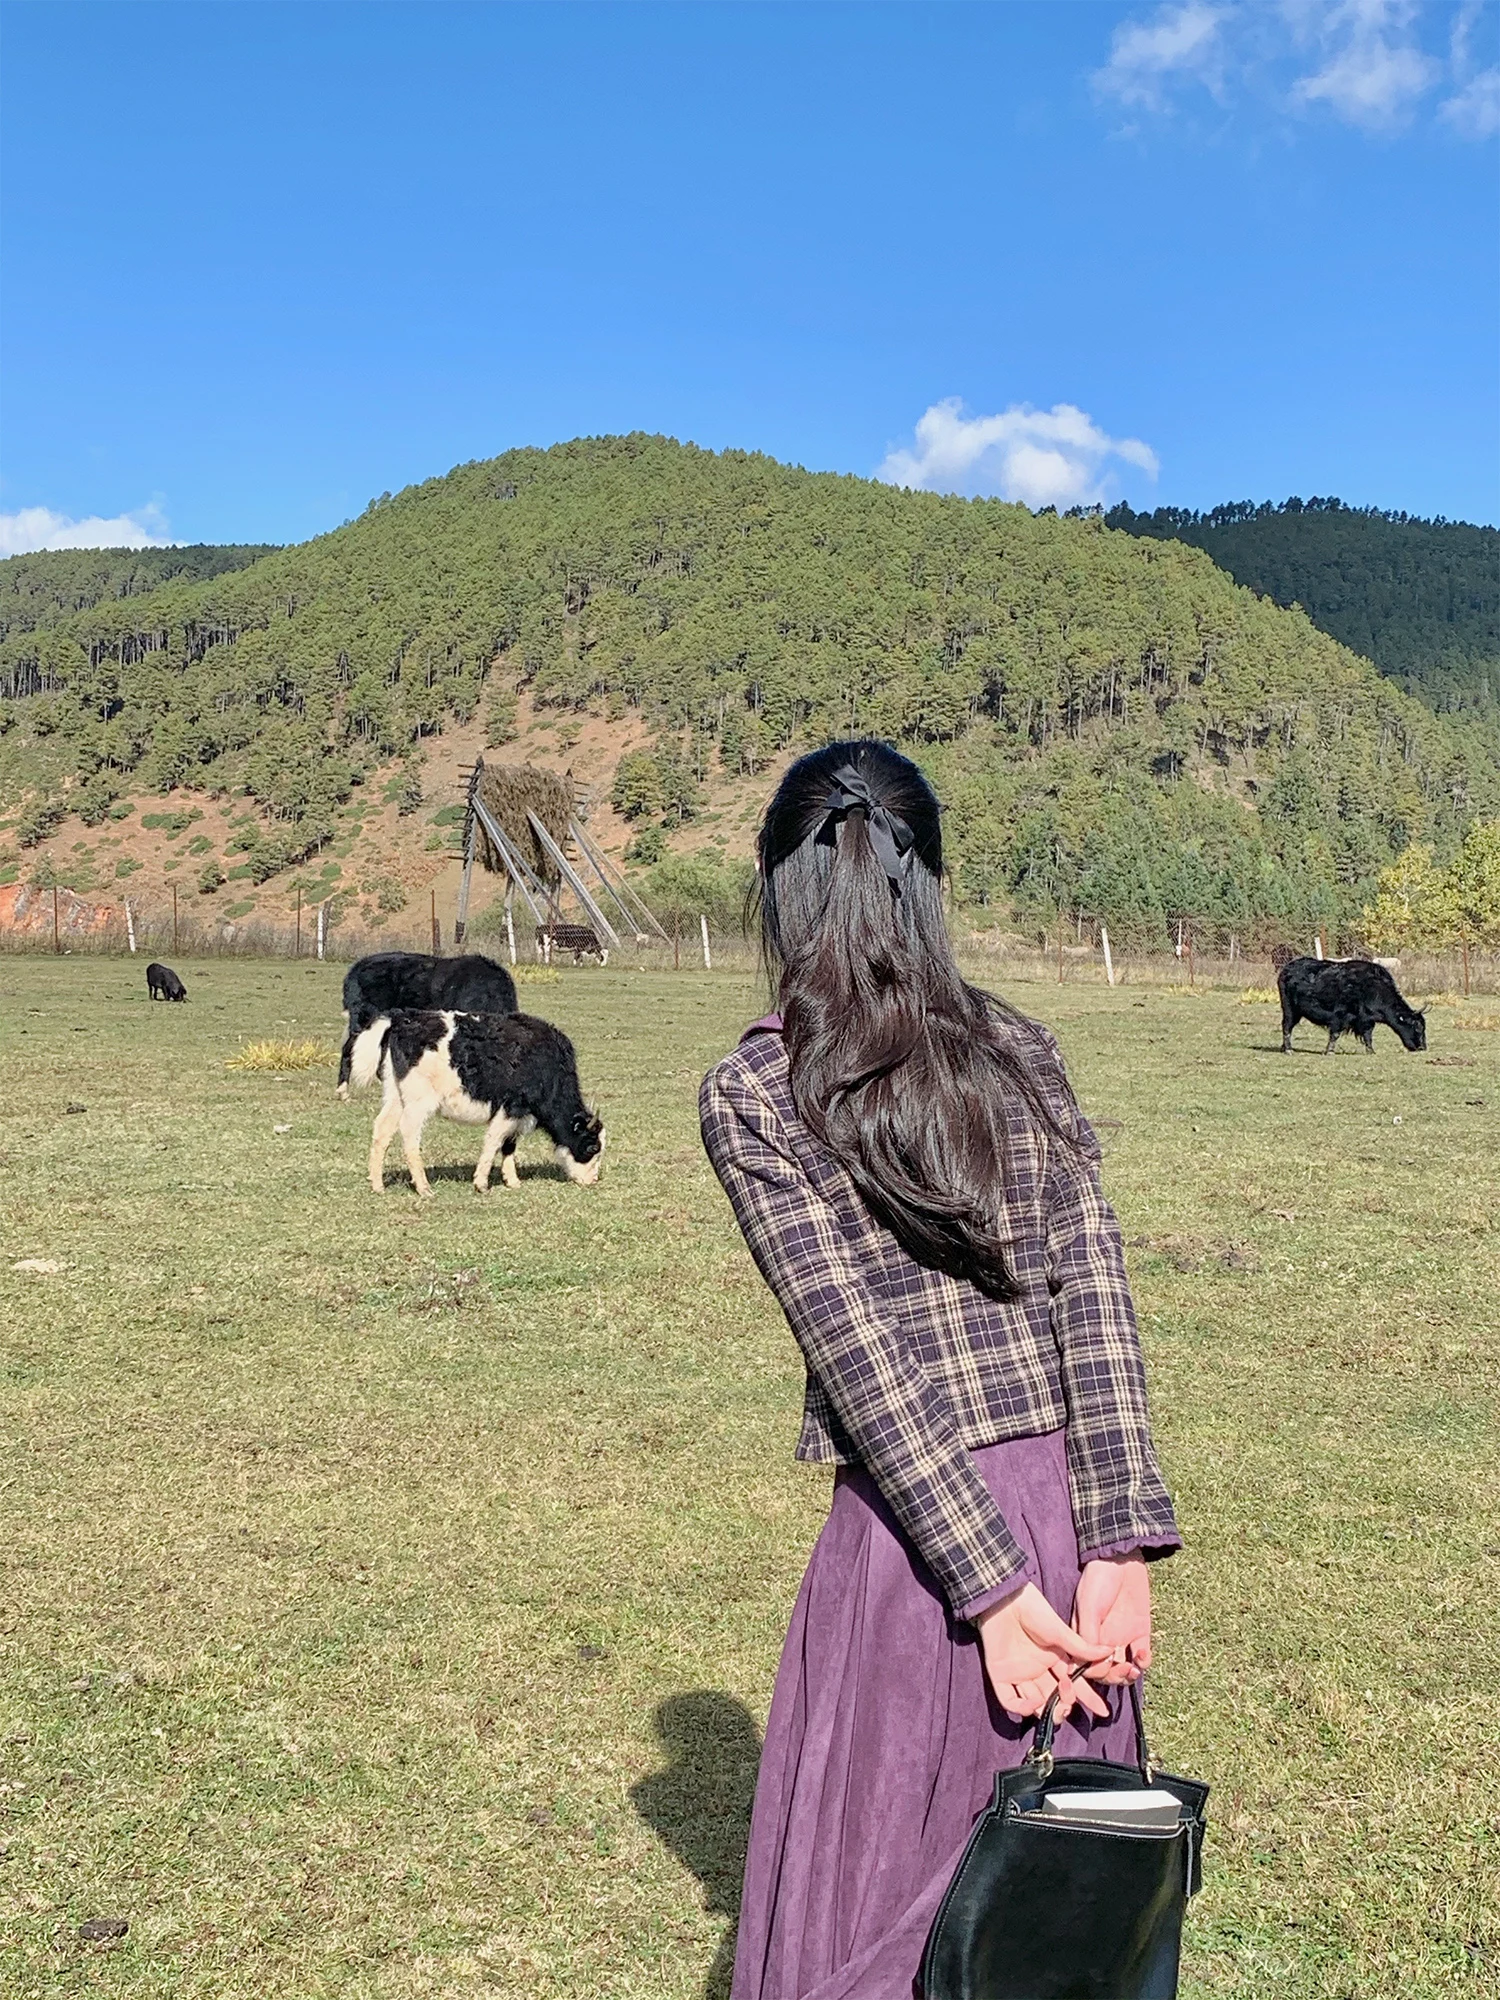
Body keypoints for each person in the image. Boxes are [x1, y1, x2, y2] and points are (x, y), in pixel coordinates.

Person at [699, 742, 1182, 2000]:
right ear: (931, 884)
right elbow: (1099, 1299)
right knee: (1053, 1911)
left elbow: (865, 1364)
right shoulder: (1020, 1045)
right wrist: (1113, 1542)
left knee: (891, 1887)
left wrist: (990, 1591)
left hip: (913, 1551)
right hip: (1061, 1519)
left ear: (779, 887)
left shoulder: (755, 1090)